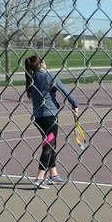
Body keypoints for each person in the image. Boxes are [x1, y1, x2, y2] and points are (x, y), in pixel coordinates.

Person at [24, 54, 79, 190]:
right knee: (48, 145)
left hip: (38, 118)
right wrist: (75, 105)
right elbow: (65, 91)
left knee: (51, 143)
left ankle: (53, 174)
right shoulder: (49, 76)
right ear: (42, 63)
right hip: (50, 117)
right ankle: (39, 178)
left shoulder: (32, 78)